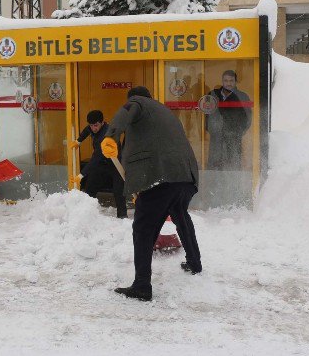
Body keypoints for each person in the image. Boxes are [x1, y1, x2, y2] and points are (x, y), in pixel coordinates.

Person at [102, 86, 202, 301]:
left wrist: (111, 136)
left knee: (142, 229)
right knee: (180, 216)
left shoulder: (138, 103)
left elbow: (127, 110)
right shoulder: (163, 112)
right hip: (185, 176)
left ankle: (141, 286)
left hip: (161, 176)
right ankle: (195, 262)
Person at [70, 110, 127, 219]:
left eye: (96, 125)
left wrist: (81, 175)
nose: (93, 128)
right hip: (102, 164)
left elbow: (96, 158)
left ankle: (122, 216)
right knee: (90, 187)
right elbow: (87, 131)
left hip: (115, 164)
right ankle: (84, 212)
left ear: (102, 122)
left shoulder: (106, 136)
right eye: (91, 125)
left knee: (119, 191)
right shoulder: (92, 128)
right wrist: (78, 141)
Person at [206, 70, 251, 170]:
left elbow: (248, 118)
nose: (228, 83)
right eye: (226, 80)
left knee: (233, 164)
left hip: (234, 137)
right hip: (217, 136)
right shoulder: (212, 95)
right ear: (222, 81)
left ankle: (234, 184)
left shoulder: (242, 96)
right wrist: (212, 129)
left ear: (235, 81)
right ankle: (215, 184)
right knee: (215, 163)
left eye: (231, 80)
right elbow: (206, 115)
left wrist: (238, 132)